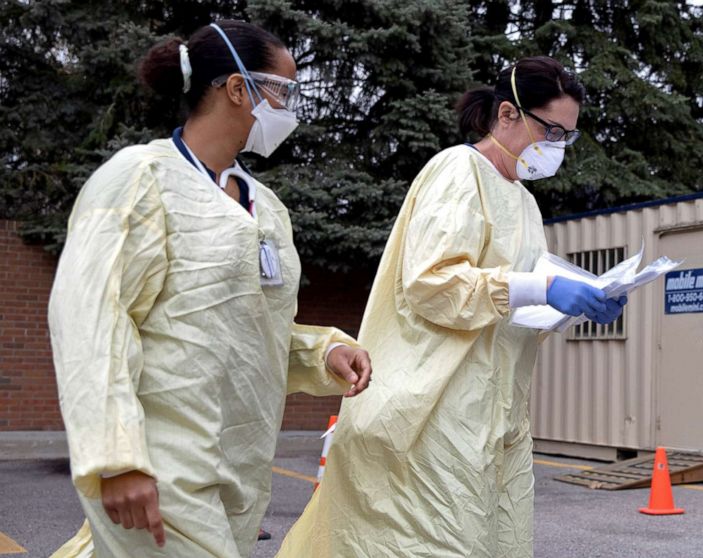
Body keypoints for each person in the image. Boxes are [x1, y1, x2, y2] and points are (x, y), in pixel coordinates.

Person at [277, 56, 626, 557]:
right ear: (508, 114)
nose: (557, 146)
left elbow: (506, 304)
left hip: (494, 418)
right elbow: (431, 283)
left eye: (568, 137)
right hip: (430, 417)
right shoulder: (459, 170)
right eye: (552, 130)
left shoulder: (523, 201)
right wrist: (538, 288)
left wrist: (570, 303)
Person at [48, 20, 372, 557]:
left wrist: (324, 351)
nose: (293, 107)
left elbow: (246, 331)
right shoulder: (140, 179)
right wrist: (116, 457)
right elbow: (91, 320)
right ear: (238, 88)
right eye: (285, 91)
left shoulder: (265, 207)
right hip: (162, 467)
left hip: (241, 471)